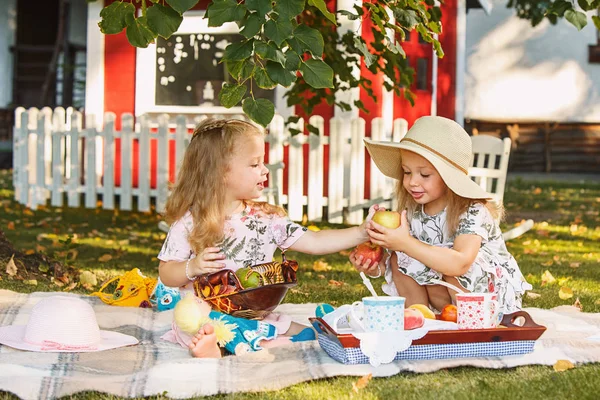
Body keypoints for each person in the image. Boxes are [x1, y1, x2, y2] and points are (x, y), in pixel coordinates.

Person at [158, 118, 376, 357]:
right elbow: (167, 273)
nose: (264, 170)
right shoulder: (190, 223)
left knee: (284, 325)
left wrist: (360, 232)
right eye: (254, 164)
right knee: (204, 325)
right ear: (220, 172)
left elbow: (314, 241)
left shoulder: (266, 219)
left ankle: (258, 339)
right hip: (206, 315)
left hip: (254, 312)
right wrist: (193, 266)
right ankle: (216, 345)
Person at [350, 116, 531, 314]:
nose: (412, 182)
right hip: (444, 297)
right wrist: (375, 267)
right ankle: (420, 317)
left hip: (486, 297)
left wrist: (406, 243)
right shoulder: (413, 211)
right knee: (399, 257)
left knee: (446, 261)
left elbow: (461, 263)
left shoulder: (472, 210)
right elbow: (409, 265)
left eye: (424, 175)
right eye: (407, 172)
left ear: (448, 178)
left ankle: (471, 322)